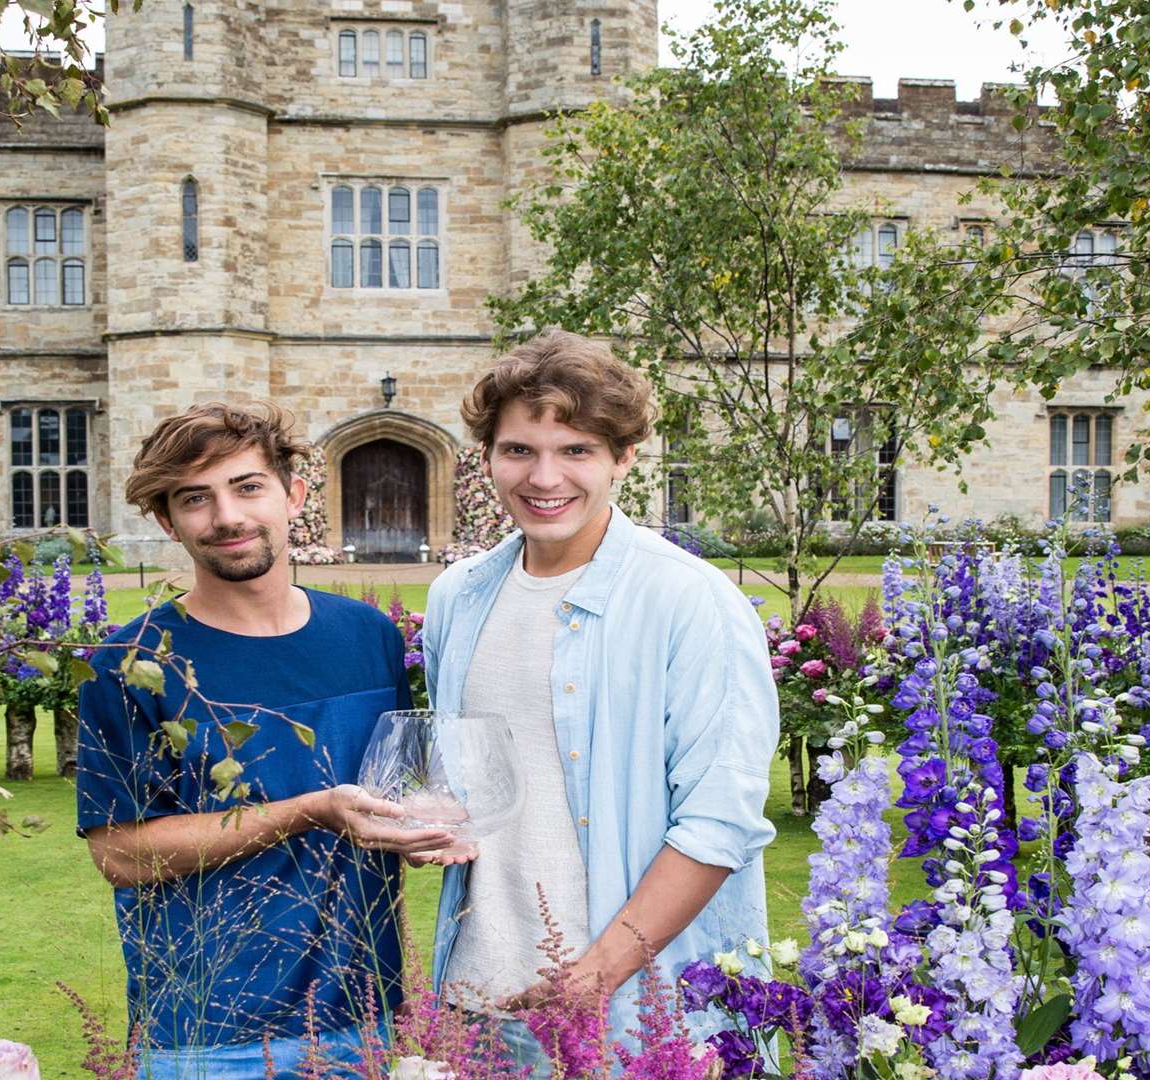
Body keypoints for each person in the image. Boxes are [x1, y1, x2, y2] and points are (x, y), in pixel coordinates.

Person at [421, 330, 781, 1073]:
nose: (543, 476)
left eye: (576, 450)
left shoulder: (690, 601)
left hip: (634, 1012)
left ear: (623, 458)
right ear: (486, 456)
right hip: (475, 998)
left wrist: (594, 978)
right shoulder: (458, 596)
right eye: (519, 450)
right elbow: (473, 783)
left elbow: (719, 822)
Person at [75, 402, 458, 1078]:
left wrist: (425, 828)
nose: (227, 517)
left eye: (248, 486)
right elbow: (123, 856)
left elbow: (405, 792)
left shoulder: (369, 637)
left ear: (295, 495)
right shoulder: (130, 662)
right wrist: (309, 810)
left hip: (366, 1014)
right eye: (196, 499)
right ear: (167, 520)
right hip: (210, 1032)